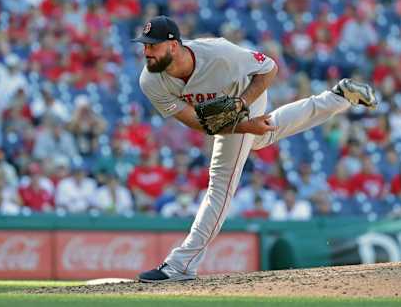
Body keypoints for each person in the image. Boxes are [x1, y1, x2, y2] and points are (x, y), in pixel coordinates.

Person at [133, 16, 377, 282]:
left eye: (152, 46)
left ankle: (181, 264)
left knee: (220, 184)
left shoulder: (219, 54)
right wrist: (247, 126)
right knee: (262, 136)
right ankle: (338, 97)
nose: (146, 52)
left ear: (172, 46)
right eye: (144, 46)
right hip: (223, 112)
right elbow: (199, 123)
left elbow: (269, 68)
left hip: (246, 88)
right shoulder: (151, 81)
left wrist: (242, 104)